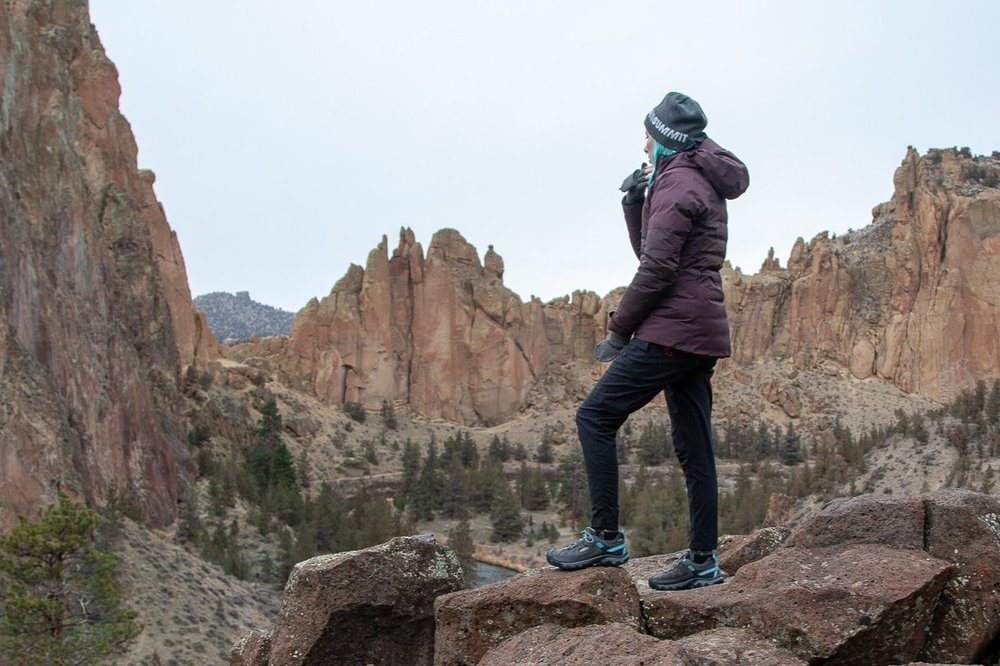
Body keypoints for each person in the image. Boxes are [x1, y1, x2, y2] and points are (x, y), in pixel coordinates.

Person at [546, 91, 749, 591]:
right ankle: (704, 561)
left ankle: (606, 538)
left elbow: (655, 268)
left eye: (648, 134)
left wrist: (618, 331)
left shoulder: (678, 183)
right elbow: (655, 250)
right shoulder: (690, 179)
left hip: (672, 330)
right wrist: (634, 202)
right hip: (698, 331)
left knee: (595, 416)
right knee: (694, 446)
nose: (642, 142)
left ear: (664, 140)